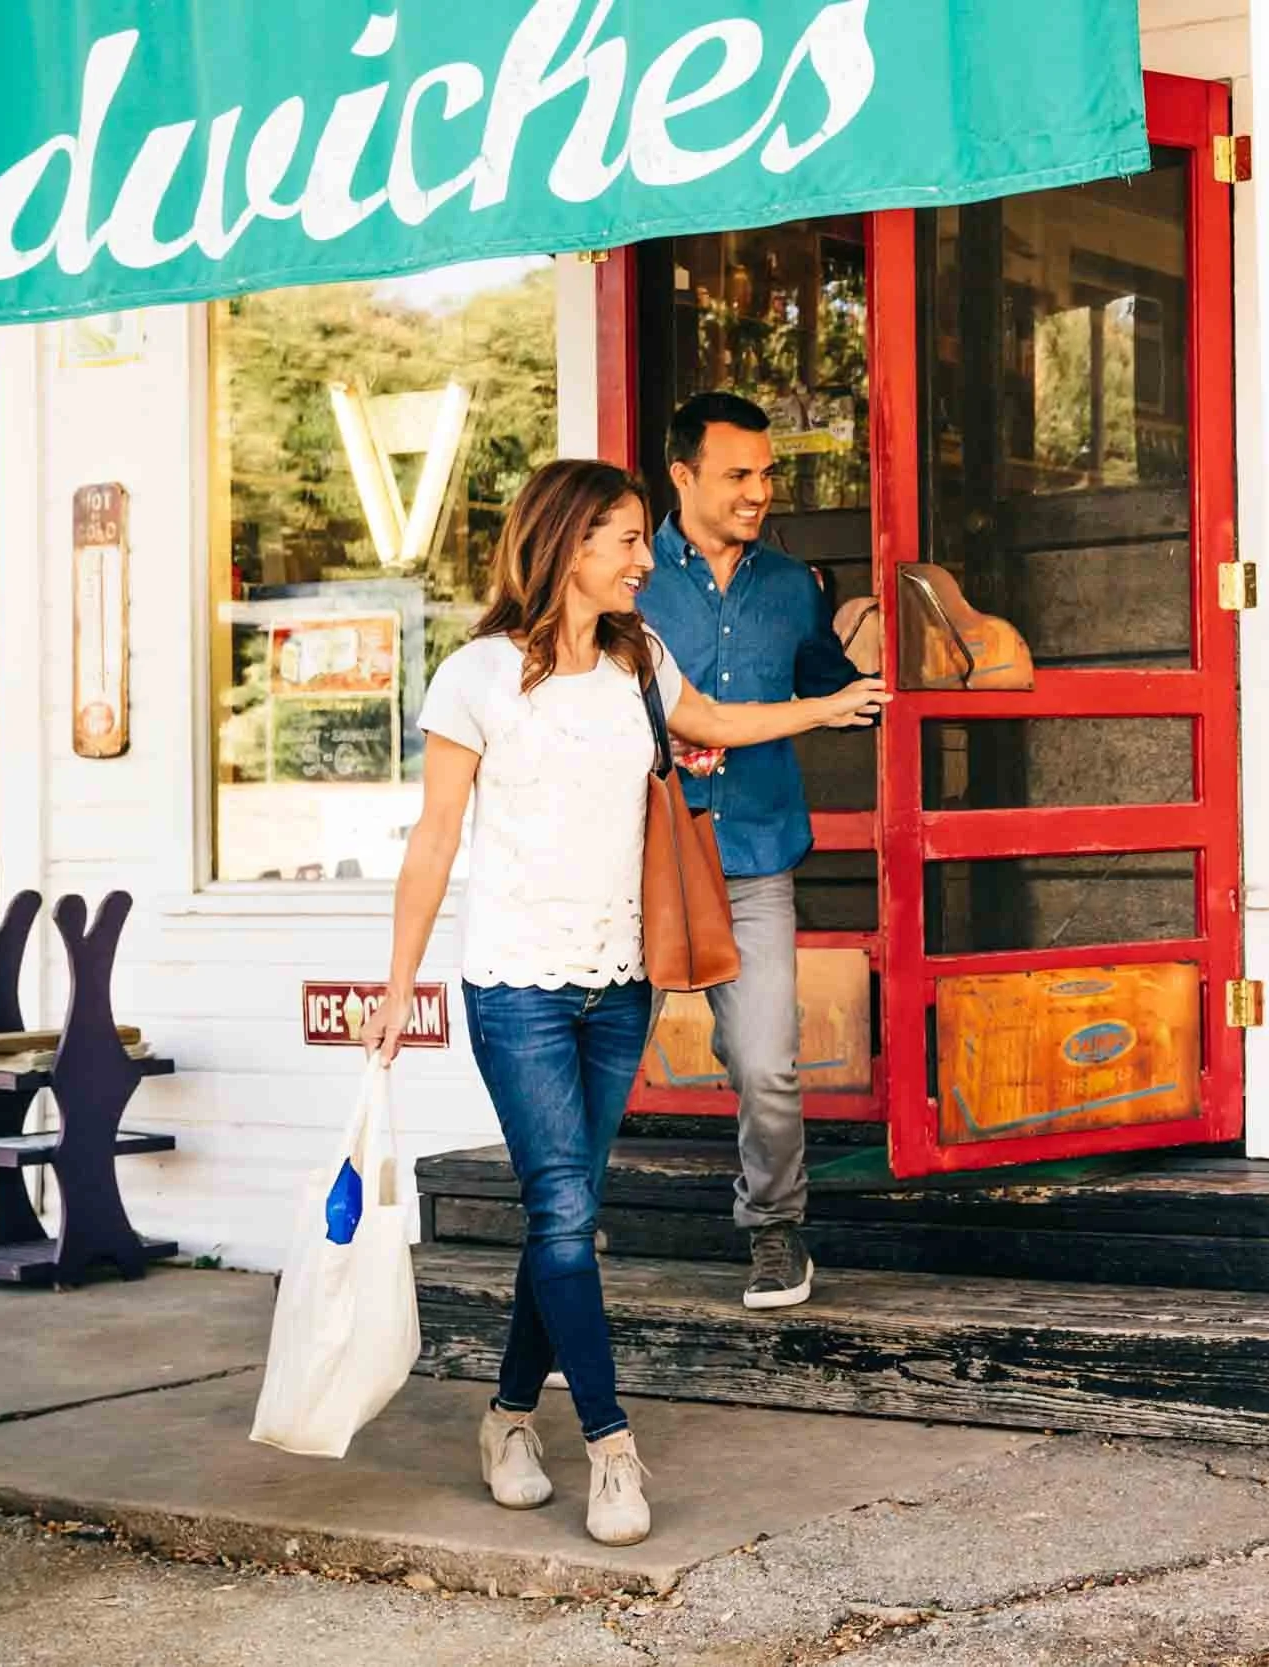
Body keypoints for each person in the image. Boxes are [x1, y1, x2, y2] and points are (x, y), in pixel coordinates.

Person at [360, 459, 885, 1546]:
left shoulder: (640, 659)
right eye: (626, 539)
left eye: (647, 538)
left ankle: (506, 1417)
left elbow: (719, 722)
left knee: (565, 1214)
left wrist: (830, 703)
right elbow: (435, 837)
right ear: (566, 543)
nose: (647, 559)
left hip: (620, 981)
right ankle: (608, 1444)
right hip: (515, 985)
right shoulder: (475, 676)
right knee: (562, 1214)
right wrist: (397, 981)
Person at [636, 392, 868, 1311]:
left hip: (758, 852)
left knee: (768, 1060)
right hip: (644, 859)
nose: (758, 492)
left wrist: (865, 646)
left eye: (766, 473)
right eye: (737, 474)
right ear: (682, 475)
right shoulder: (627, 577)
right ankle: (564, 1243)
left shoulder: (790, 585)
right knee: (603, 1061)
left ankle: (774, 1229)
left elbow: (827, 683)